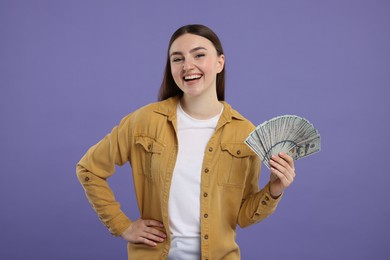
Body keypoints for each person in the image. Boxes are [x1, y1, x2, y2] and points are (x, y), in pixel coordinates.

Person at [76, 24, 296, 260]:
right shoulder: (144, 121)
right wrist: (121, 225)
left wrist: (274, 190)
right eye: (177, 59)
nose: (187, 66)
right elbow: (89, 169)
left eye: (199, 55)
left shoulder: (245, 133)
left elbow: (243, 216)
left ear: (220, 62)